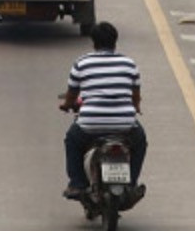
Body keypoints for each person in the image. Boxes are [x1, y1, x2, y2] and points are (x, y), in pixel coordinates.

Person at [60, 21, 146, 201]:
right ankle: (131, 183)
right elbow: (135, 95)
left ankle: (77, 184)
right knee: (140, 142)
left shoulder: (81, 63)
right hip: (124, 126)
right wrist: (136, 107)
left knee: (72, 140)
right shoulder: (129, 64)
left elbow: (71, 94)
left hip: (90, 125)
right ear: (115, 41)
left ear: (93, 42)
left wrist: (67, 105)